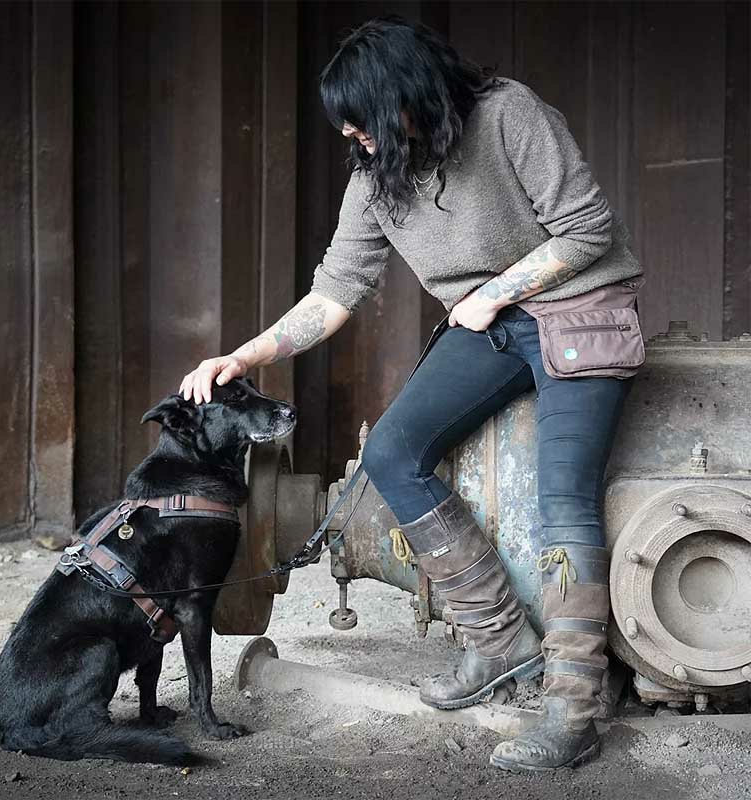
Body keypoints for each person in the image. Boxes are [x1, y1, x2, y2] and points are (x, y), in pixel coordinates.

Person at [179, 16, 646, 772]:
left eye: (361, 119)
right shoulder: (378, 175)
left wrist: (495, 292)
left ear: (408, 96)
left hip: (578, 311)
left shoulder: (509, 115)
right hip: (488, 322)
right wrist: (246, 353)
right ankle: (500, 640)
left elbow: (588, 230)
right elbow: (336, 291)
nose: (352, 136)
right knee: (392, 451)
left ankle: (574, 708)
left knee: (563, 498)